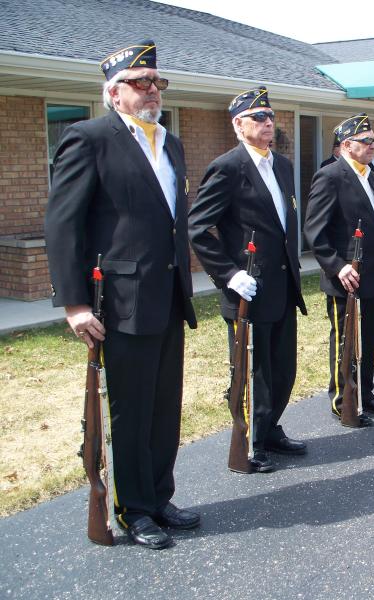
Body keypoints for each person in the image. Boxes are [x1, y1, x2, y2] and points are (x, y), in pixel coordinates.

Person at [44, 39, 199, 550]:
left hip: (168, 292)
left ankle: (159, 494)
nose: (152, 90)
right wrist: (75, 304)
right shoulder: (89, 138)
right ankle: (134, 509)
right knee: (132, 410)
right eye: (141, 82)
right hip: (123, 299)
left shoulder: (169, 142)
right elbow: (63, 224)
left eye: (158, 82)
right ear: (114, 93)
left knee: (164, 404)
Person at [188, 86, 308, 474]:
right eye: (258, 117)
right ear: (238, 125)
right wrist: (229, 274)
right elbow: (198, 228)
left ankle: (270, 429)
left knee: (282, 367)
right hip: (248, 289)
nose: (268, 122)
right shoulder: (228, 167)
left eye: (270, 116)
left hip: (283, 286)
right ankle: (250, 442)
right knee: (253, 371)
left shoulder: (283, 165)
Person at [305, 114, 374, 426]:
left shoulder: (371, 173)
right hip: (346, 276)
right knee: (346, 341)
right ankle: (343, 399)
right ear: (346, 145)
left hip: (373, 273)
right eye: (366, 141)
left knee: (368, 338)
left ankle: (365, 392)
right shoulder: (330, 176)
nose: (373, 145)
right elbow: (315, 231)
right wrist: (337, 266)